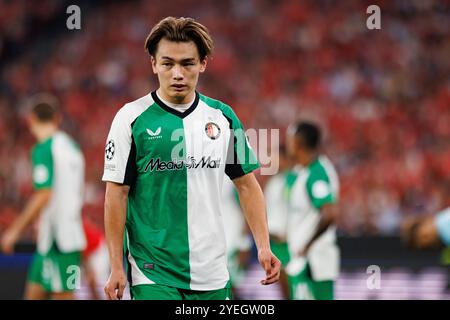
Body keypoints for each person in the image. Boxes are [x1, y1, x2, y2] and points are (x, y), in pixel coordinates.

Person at [102, 16, 281, 300]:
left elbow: (247, 185)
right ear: (153, 65)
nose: (177, 73)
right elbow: (116, 194)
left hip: (213, 273)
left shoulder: (223, 117)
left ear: (203, 64)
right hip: (153, 273)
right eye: (167, 63)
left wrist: (263, 245)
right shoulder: (130, 118)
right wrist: (115, 266)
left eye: (187, 63)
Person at [0, 94, 86, 300]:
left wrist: (14, 230)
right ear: (58, 118)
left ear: (30, 119)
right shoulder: (73, 148)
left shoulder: (43, 149)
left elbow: (44, 194)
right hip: (62, 238)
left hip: (59, 241)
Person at [285, 121, 340, 300]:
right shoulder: (303, 171)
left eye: (290, 139)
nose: (287, 144)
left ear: (298, 143)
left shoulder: (316, 173)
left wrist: (307, 245)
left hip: (313, 261)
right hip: (304, 259)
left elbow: (329, 213)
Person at [264, 145, 295, 299]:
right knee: (284, 290)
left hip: (290, 243)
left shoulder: (294, 180)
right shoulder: (273, 183)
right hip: (275, 242)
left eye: (276, 157)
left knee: (295, 288)